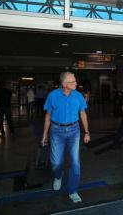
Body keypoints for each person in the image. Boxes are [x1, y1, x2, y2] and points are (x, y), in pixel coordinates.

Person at [41, 72, 91, 203]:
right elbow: (47, 117)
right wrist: (44, 136)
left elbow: (83, 114)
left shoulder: (78, 96)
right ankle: (58, 176)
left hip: (74, 130)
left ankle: (73, 191)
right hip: (57, 131)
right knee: (56, 162)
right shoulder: (53, 96)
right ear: (64, 84)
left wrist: (87, 132)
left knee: (75, 162)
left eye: (75, 81)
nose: (76, 83)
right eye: (73, 82)